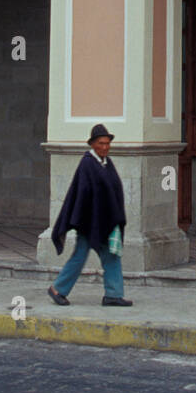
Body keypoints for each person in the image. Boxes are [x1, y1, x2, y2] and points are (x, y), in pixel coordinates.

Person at [48, 124, 132, 307]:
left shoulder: (106, 163)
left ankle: (113, 295)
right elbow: (84, 193)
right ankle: (57, 289)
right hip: (89, 222)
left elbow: (111, 190)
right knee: (79, 256)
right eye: (101, 143)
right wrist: (89, 218)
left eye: (108, 143)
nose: (105, 147)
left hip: (104, 222)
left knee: (112, 255)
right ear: (93, 144)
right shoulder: (88, 163)